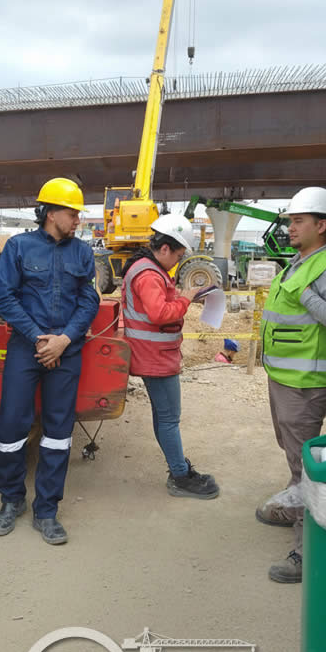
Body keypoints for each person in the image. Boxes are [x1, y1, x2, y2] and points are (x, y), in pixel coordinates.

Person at [256, 187, 326, 583]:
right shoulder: (301, 262)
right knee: (292, 454)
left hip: (305, 382)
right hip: (285, 377)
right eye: (290, 221)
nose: (291, 227)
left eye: (299, 221)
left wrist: (309, 298)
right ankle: (293, 509)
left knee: (304, 465)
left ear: (322, 225)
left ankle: (306, 549)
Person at [0, 177, 99, 545]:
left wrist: (64, 340)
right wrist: (40, 339)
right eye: (73, 213)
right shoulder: (18, 247)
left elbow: (89, 301)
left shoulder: (83, 253)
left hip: (66, 349)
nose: (77, 220)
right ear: (51, 213)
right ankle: (11, 501)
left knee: (57, 433)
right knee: (11, 428)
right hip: (26, 347)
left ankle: (47, 510)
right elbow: (4, 298)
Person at [121, 213, 220, 499]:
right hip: (155, 357)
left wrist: (183, 296)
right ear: (165, 248)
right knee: (168, 418)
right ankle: (179, 476)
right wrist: (185, 298)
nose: (177, 261)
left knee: (164, 416)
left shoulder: (148, 268)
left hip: (155, 354)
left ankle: (178, 469)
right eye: (177, 255)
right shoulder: (149, 274)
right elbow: (160, 313)